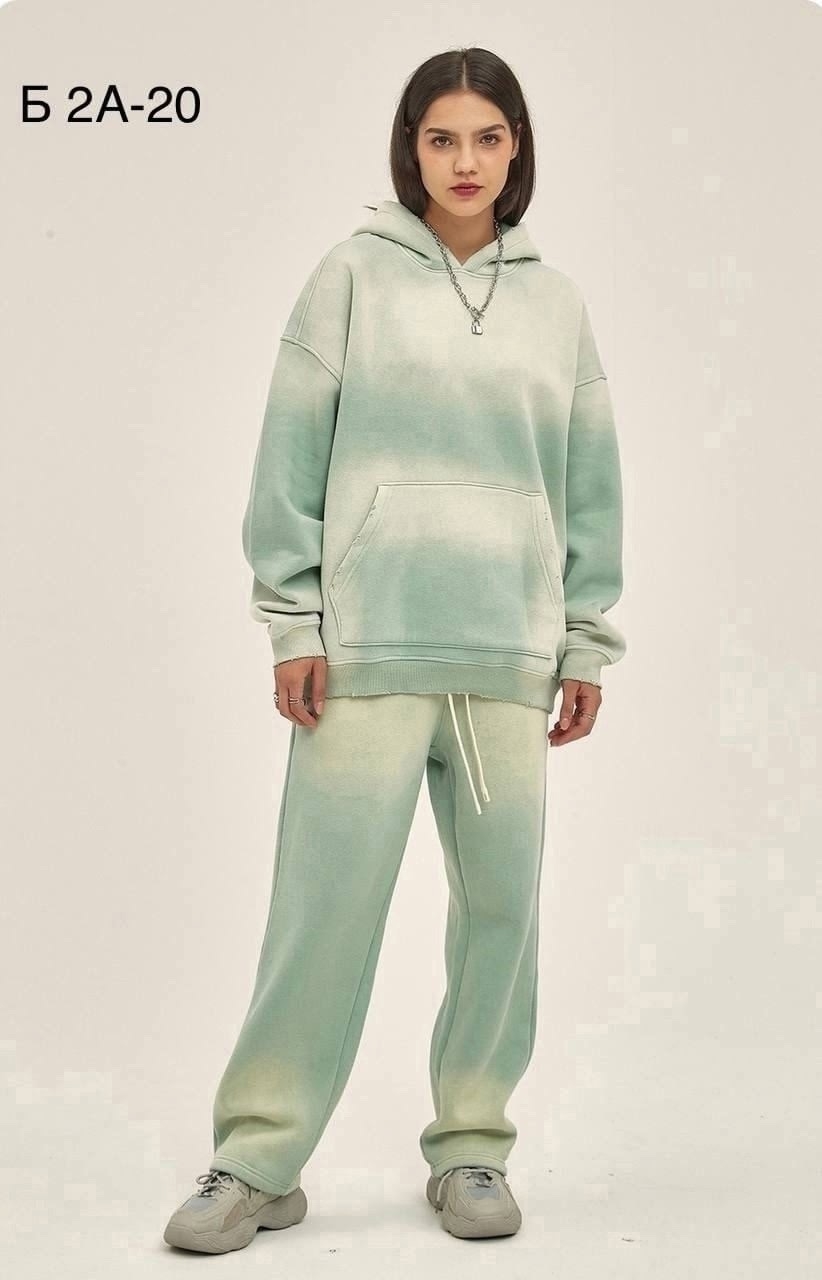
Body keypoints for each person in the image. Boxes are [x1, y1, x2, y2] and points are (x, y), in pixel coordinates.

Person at [164, 44, 627, 1253]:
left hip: (505, 661)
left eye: (487, 137)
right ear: (410, 148)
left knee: (501, 916)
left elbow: (588, 485)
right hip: (364, 657)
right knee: (320, 916)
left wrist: (583, 643)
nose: (465, 161)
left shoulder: (557, 305)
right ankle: (256, 1160)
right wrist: (294, 620)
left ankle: (472, 1146)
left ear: (517, 147)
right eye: (441, 137)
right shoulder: (350, 277)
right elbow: (289, 459)